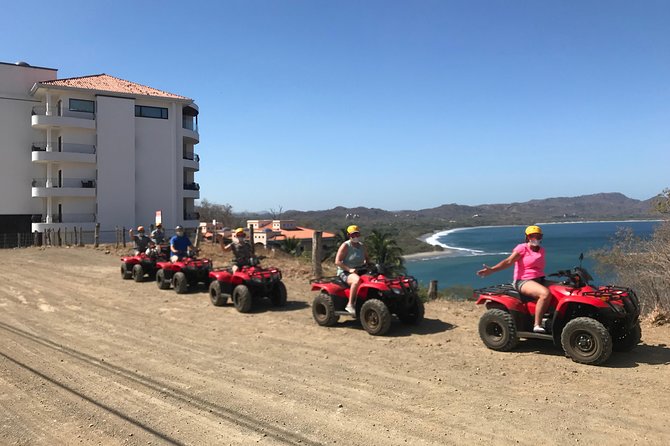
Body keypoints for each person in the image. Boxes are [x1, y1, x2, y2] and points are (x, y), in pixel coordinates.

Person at [476, 225, 551, 333]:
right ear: (527, 237)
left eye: (538, 236)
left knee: (564, 288)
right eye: (532, 236)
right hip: (523, 280)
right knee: (545, 294)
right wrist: (492, 269)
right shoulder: (522, 248)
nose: (535, 238)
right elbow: (508, 261)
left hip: (539, 279)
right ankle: (537, 324)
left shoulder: (541, 250)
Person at [335, 225, 370, 315]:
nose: (355, 237)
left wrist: (368, 265)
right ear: (349, 235)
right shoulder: (346, 246)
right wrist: (349, 269)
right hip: (345, 271)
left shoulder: (362, 246)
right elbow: (337, 261)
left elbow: (367, 258)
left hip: (360, 269)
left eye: (357, 234)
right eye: (353, 235)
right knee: (356, 280)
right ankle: (350, 304)